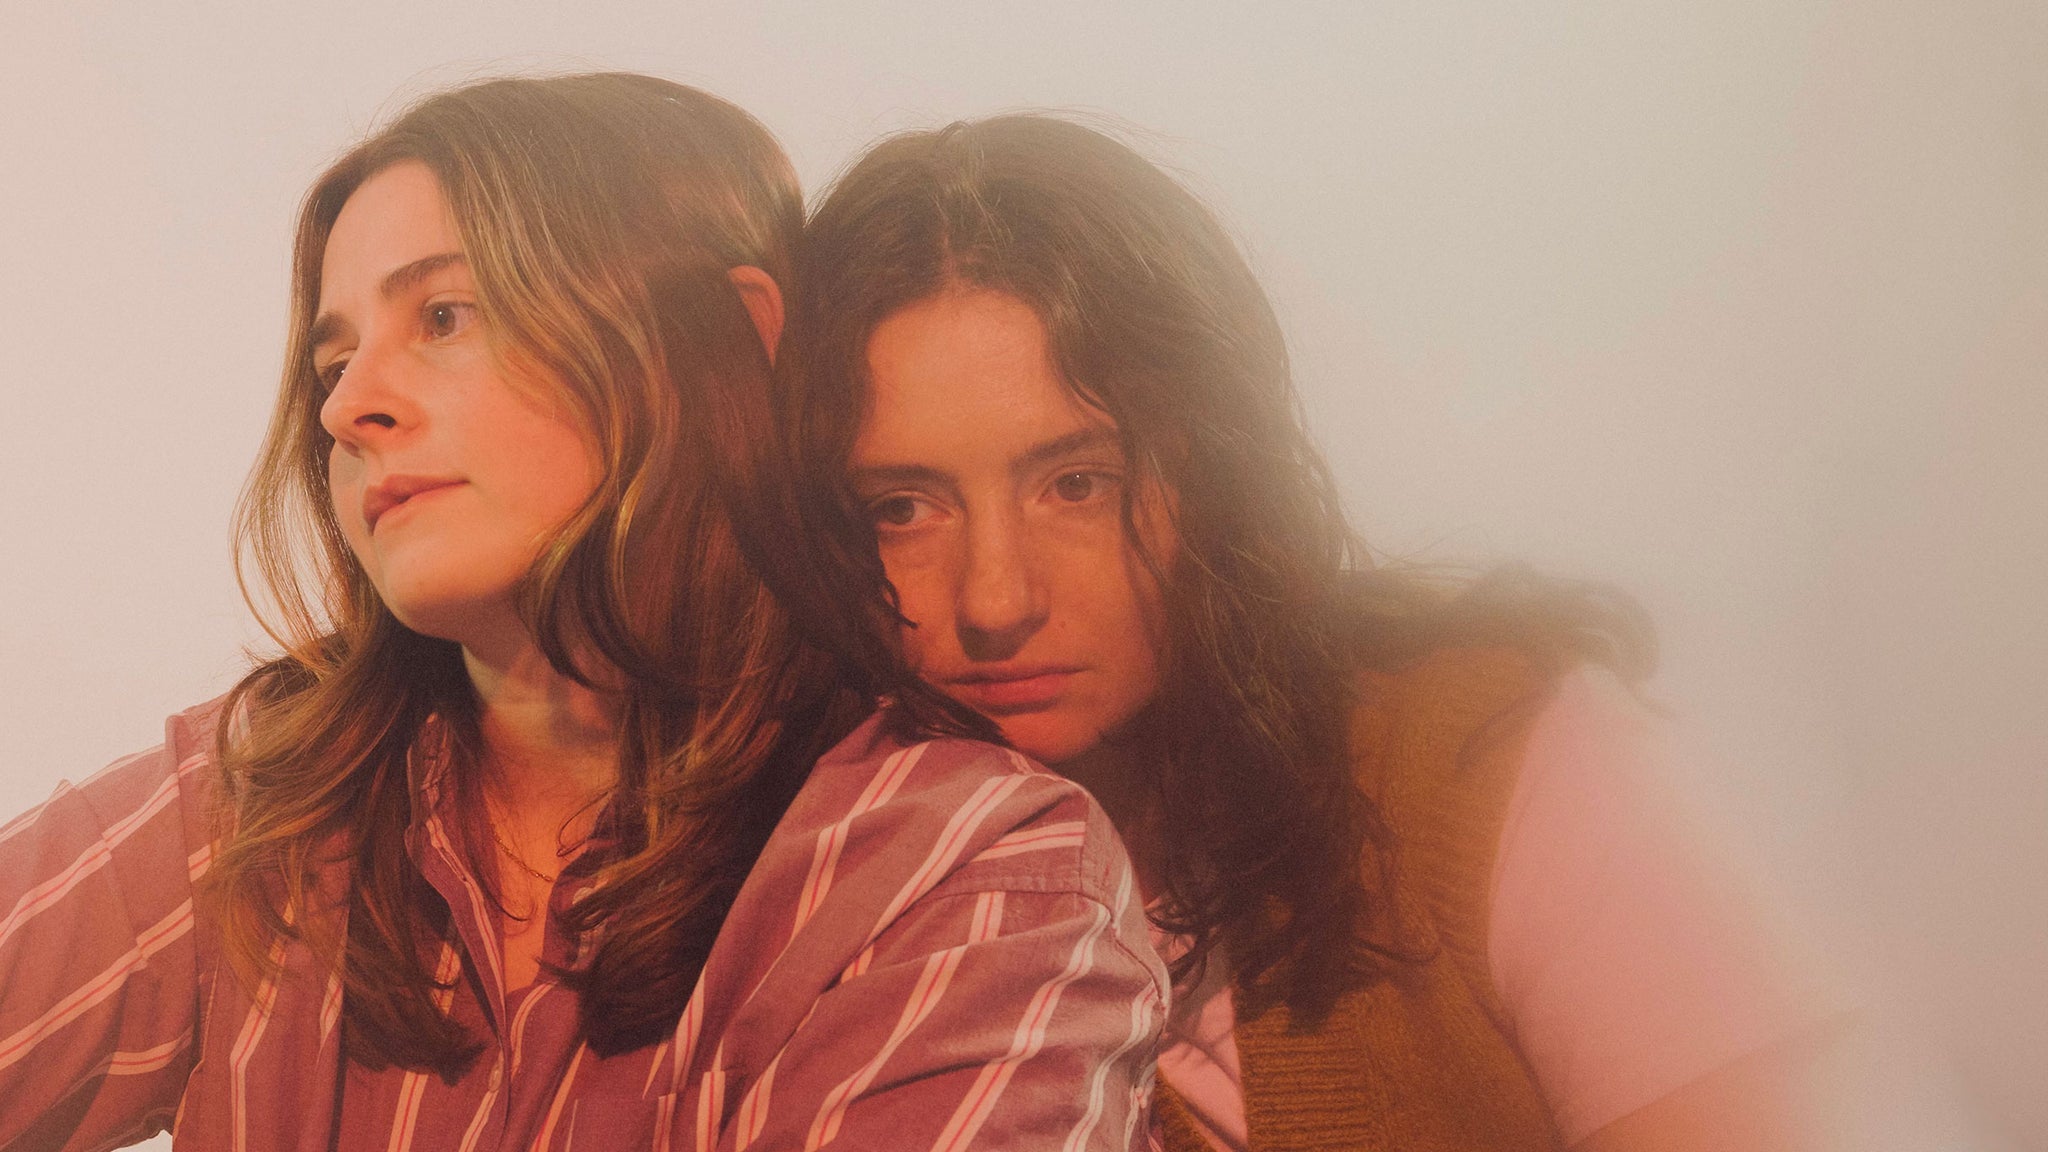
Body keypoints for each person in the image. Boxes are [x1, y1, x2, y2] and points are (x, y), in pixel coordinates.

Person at [0, 77, 1164, 1151]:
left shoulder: (974, 875)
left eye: (444, 315)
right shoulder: (258, 795)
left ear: (725, 338)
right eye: (332, 361)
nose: (349, 406)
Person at [779, 115, 1846, 1151]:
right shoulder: (825, 886)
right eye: (902, 508)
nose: (995, 597)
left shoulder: (1476, 758)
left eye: (1077, 484)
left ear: (1219, 471)